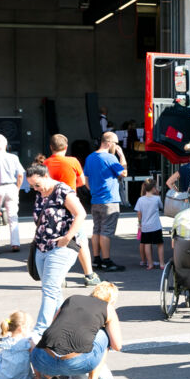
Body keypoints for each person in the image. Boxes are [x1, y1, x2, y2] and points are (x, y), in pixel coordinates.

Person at [29, 282, 123, 379]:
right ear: (112, 300)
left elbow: (53, 324)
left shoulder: (72, 298)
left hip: (42, 361)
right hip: (76, 363)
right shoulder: (108, 308)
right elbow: (117, 346)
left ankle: (52, 378)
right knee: (104, 334)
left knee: (51, 338)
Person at [26, 164, 87, 336]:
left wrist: (68, 237)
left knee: (50, 289)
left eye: (37, 184)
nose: (35, 188)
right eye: (32, 186)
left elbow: (81, 214)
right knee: (53, 292)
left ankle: (40, 331)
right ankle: (67, 328)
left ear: (45, 176)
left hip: (60, 247)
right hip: (41, 247)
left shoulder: (62, 190)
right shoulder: (40, 194)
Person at [44, 134, 101, 286]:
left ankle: (59, 277)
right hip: (71, 204)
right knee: (80, 239)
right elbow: (82, 181)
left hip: (52, 206)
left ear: (51, 147)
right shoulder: (73, 161)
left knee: (54, 240)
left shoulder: (45, 163)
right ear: (66, 147)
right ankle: (89, 275)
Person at [84, 132, 128, 272]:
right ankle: (107, 261)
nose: (116, 146)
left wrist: (93, 191)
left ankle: (96, 259)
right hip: (109, 199)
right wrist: (121, 156)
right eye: (116, 144)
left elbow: (85, 179)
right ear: (109, 143)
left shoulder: (90, 157)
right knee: (106, 231)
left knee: (96, 230)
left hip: (96, 199)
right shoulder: (110, 157)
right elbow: (124, 173)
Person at [0, 134, 25, 251]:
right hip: (11, 187)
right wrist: (17, 188)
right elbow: (21, 174)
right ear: (6, 145)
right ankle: (15, 243)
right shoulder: (14, 158)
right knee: (13, 216)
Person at [0, 311, 36, 379]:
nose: (30, 330)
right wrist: (38, 377)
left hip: (3, 378)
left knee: (3, 356)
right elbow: (35, 361)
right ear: (21, 328)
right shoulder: (28, 343)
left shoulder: (6, 339)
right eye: (29, 328)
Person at [135, 180, 165, 270]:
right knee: (160, 244)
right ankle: (162, 264)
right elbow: (161, 207)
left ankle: (150, 264)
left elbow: (139, 212)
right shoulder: (157, 198)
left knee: (147, 244)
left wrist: (140, 224)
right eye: (155, 187)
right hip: (156, 225)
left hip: (145, 226)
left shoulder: (140, 199)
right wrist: (158, 194)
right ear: (153, 188)